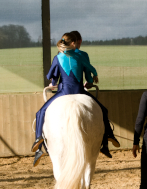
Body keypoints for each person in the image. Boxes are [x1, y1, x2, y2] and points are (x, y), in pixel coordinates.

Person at [31, 32, 119, 166]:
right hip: (79, 90)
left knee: (40, 112)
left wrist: (53, 82)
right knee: (103, 110)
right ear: (73, 43)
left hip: (64, 92)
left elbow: (51, 76)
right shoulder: (80, 56)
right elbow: (91, 70)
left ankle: (38, 140)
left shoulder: (58, 57)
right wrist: (93, 77)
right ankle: (109, 135)